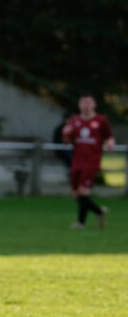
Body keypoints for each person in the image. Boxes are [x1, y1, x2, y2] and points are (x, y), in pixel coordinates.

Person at [62, 95, 114, 229]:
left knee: (83, 192)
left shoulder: (101, 120)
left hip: (92, 161)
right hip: (77, 161)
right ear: (79, 105)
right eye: (83, 103)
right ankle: (100, 212)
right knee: (76, 195)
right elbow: (68, 140)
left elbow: (109, 136)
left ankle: (81, 223)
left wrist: (110, 144)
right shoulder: (75, 121)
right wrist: (66, 133)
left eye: (88, 103)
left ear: (94, 105)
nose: (86, 105)